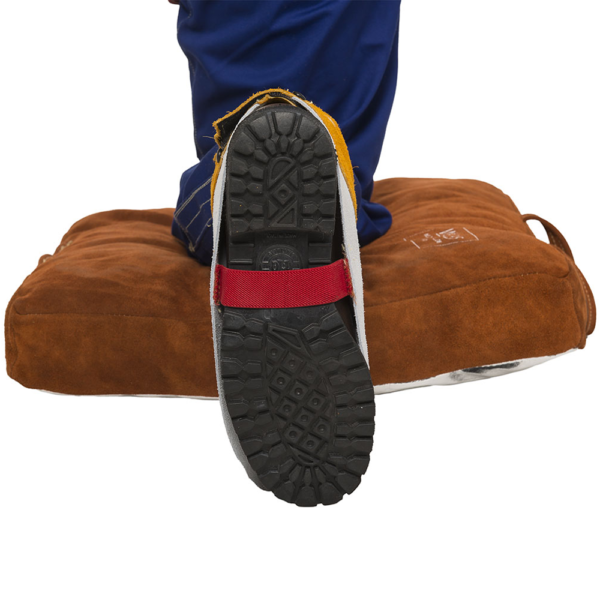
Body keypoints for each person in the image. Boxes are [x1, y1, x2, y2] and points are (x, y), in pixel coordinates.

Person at [169, 0, 401, 506]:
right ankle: (336, 204)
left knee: (220, 170)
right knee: (338, 158)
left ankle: (221, 198)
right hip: (341, 143)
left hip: (236, 72)